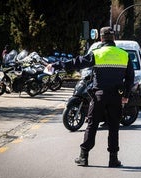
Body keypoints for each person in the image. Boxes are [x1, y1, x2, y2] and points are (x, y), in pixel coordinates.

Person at [49, 26, 134, 167]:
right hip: (115, 98)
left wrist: (56, 66)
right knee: (114, 127)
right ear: (114, 38)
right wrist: (125, 95)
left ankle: (84, 157)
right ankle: (113, 159)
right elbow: (130, 78)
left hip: (98, 96)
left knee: (92, 125)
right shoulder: (124, 55)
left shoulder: (97, 53)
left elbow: (77, 62)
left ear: (101, 38)